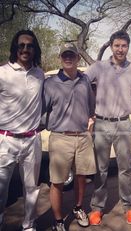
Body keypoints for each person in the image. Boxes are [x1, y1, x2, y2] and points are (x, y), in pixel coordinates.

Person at [85, 30, 131, 225]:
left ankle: (129, 207)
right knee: (101, 169)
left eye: (124, 46)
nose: (120, 49)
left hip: (123, 123)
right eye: (117, 45)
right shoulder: (98, 67)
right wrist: (87, 112)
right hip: (102, 123)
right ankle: (97, 208)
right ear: (111, 46)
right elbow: (80, 85)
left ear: (128, 47)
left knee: (125, 168)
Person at [42, 43, 96, 231]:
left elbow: (91, 108)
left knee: (81, 178)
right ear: (60, 57)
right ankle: (58, 220)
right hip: (60, 137)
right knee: (57, 182)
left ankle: (78, 208)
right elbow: (42, 110)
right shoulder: (50, 83)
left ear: (78, 58)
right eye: (65, 55)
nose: (68, 58)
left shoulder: (85, 80)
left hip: (82, 137)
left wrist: (90, 124)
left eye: (71, 55)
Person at [0, 30, 44, 231]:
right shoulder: (2, 73)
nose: (26, 49)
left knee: (31, 189)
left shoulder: (40, 74)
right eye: (22, 45)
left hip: (32, 140)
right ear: (15, 48)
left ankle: (29, 226)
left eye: (30, 45)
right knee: (1, 190)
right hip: (5, 140)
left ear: (35, 49)